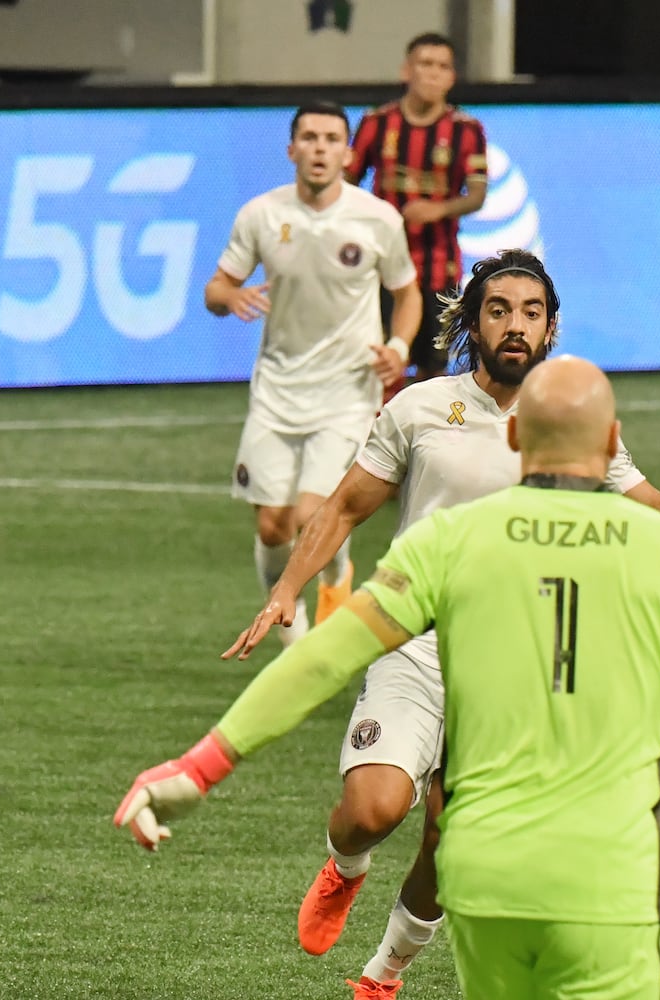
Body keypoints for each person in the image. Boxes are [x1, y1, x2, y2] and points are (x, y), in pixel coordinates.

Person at [218, 248, 660, 999]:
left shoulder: (571, 419)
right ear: (471, 322)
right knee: (372, 810)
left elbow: (658, 519)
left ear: (551, 328)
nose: (514, 325)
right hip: (417, 641)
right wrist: (285, 589)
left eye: (530, 312)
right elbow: (347, 504)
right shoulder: (419, 407)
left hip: (515, 663)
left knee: (449, 836)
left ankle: (383, 973)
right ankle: (345, 865)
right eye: (498, 310)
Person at [114, 354, 660, 999]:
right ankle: (357, 896)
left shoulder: (454, 538)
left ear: (516, 438)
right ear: (610, 442)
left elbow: (324, 657)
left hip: (489, 868)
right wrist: (642, 804)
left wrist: (199, 767)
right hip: (612, 869)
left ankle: (380, 975)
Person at [207, 101, 423, 644]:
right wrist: (229, 295)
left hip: (348, 390)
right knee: (272, 526)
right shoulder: (261, 215)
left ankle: (323, 597)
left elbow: (407, 292)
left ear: (348, 153)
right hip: (277, 389)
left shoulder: (377, 219)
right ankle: (297, 624)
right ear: (292, 150)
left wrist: (398, 345)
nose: (320, 148)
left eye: (331, 138)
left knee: (312, 514)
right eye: (310, 137)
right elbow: (215, 288)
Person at [347, 32, 487, 385]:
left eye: (443, 67)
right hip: (381, 263)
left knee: (433, 367)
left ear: (452, 78)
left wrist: (438, 211)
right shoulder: (376, 123)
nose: (433, 74)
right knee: (381, 359)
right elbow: (346, 184)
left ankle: (426, 436)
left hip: (439, 265)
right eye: (425, 64)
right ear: (406, 71)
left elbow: (477, 196)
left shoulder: (467, 130)